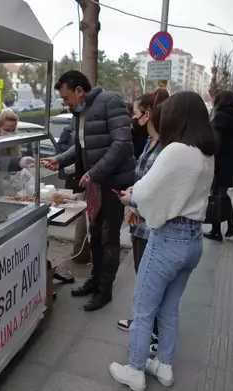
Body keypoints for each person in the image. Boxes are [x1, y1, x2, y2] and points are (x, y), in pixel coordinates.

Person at [108, 92, 216, 391]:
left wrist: (132, 198)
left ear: (177, 116)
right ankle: (164, 366)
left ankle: (135, 370)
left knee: (143, 308)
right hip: (193, 240)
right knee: (169, 307)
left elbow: (144, 191)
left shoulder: (176, 150)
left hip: (168, 239)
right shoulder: (205, 152)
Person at [41, 70, 135, 312]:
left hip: (112, 183)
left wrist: (95, 173)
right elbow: (79, 145)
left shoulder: (110, 102)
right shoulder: (79, 112)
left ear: (79, 91)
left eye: (66, 97)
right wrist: (60, 160)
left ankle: (105, 290)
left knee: (108, 238)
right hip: (93, 184)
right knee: (95, 236)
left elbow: (122, 143)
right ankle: (95, 280)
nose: (65, 103)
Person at [115, 89, 170, 355]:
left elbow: (159, 190)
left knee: (151, 282)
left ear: (148, 114)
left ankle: (154, 334)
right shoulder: (150, 141)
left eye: (136, 114)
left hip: (152, 226)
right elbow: (143, 180)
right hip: (139, 221)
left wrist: (133, 200)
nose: (134, 120)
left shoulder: (166, 148)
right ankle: (142, 324)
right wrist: (132, 199)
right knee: (142, 278)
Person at [204, 91, 233, 241]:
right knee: (221, 194)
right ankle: (229, 225)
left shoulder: (220, 117)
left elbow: (216, 143)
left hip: (219, 162)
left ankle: (219, 230)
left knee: (217, 195)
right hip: (232, 161)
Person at [57, 123, 91, 264]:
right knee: (82, 222)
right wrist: (59, 160)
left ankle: (86, 258)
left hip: (91, 181)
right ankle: (80, 256)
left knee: (90, 225)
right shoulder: (70, 129)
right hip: (78, 179)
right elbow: (72, 147)